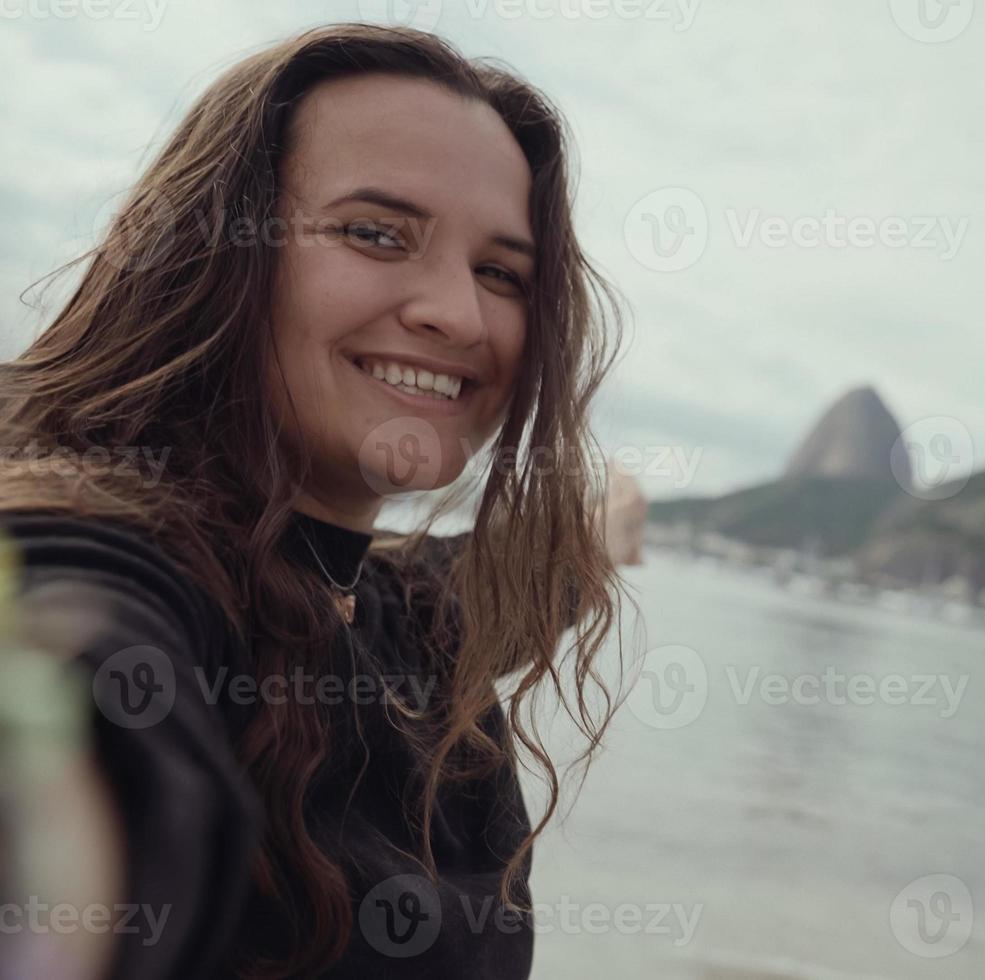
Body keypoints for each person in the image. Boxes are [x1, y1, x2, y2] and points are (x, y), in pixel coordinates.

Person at [0, 23, 630, 979]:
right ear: (209, 255)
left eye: (501, 273)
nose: (456, 314)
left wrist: (611, 526)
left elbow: (497, 580)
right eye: (375, 234)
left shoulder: (407, 624)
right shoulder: (106, 558)